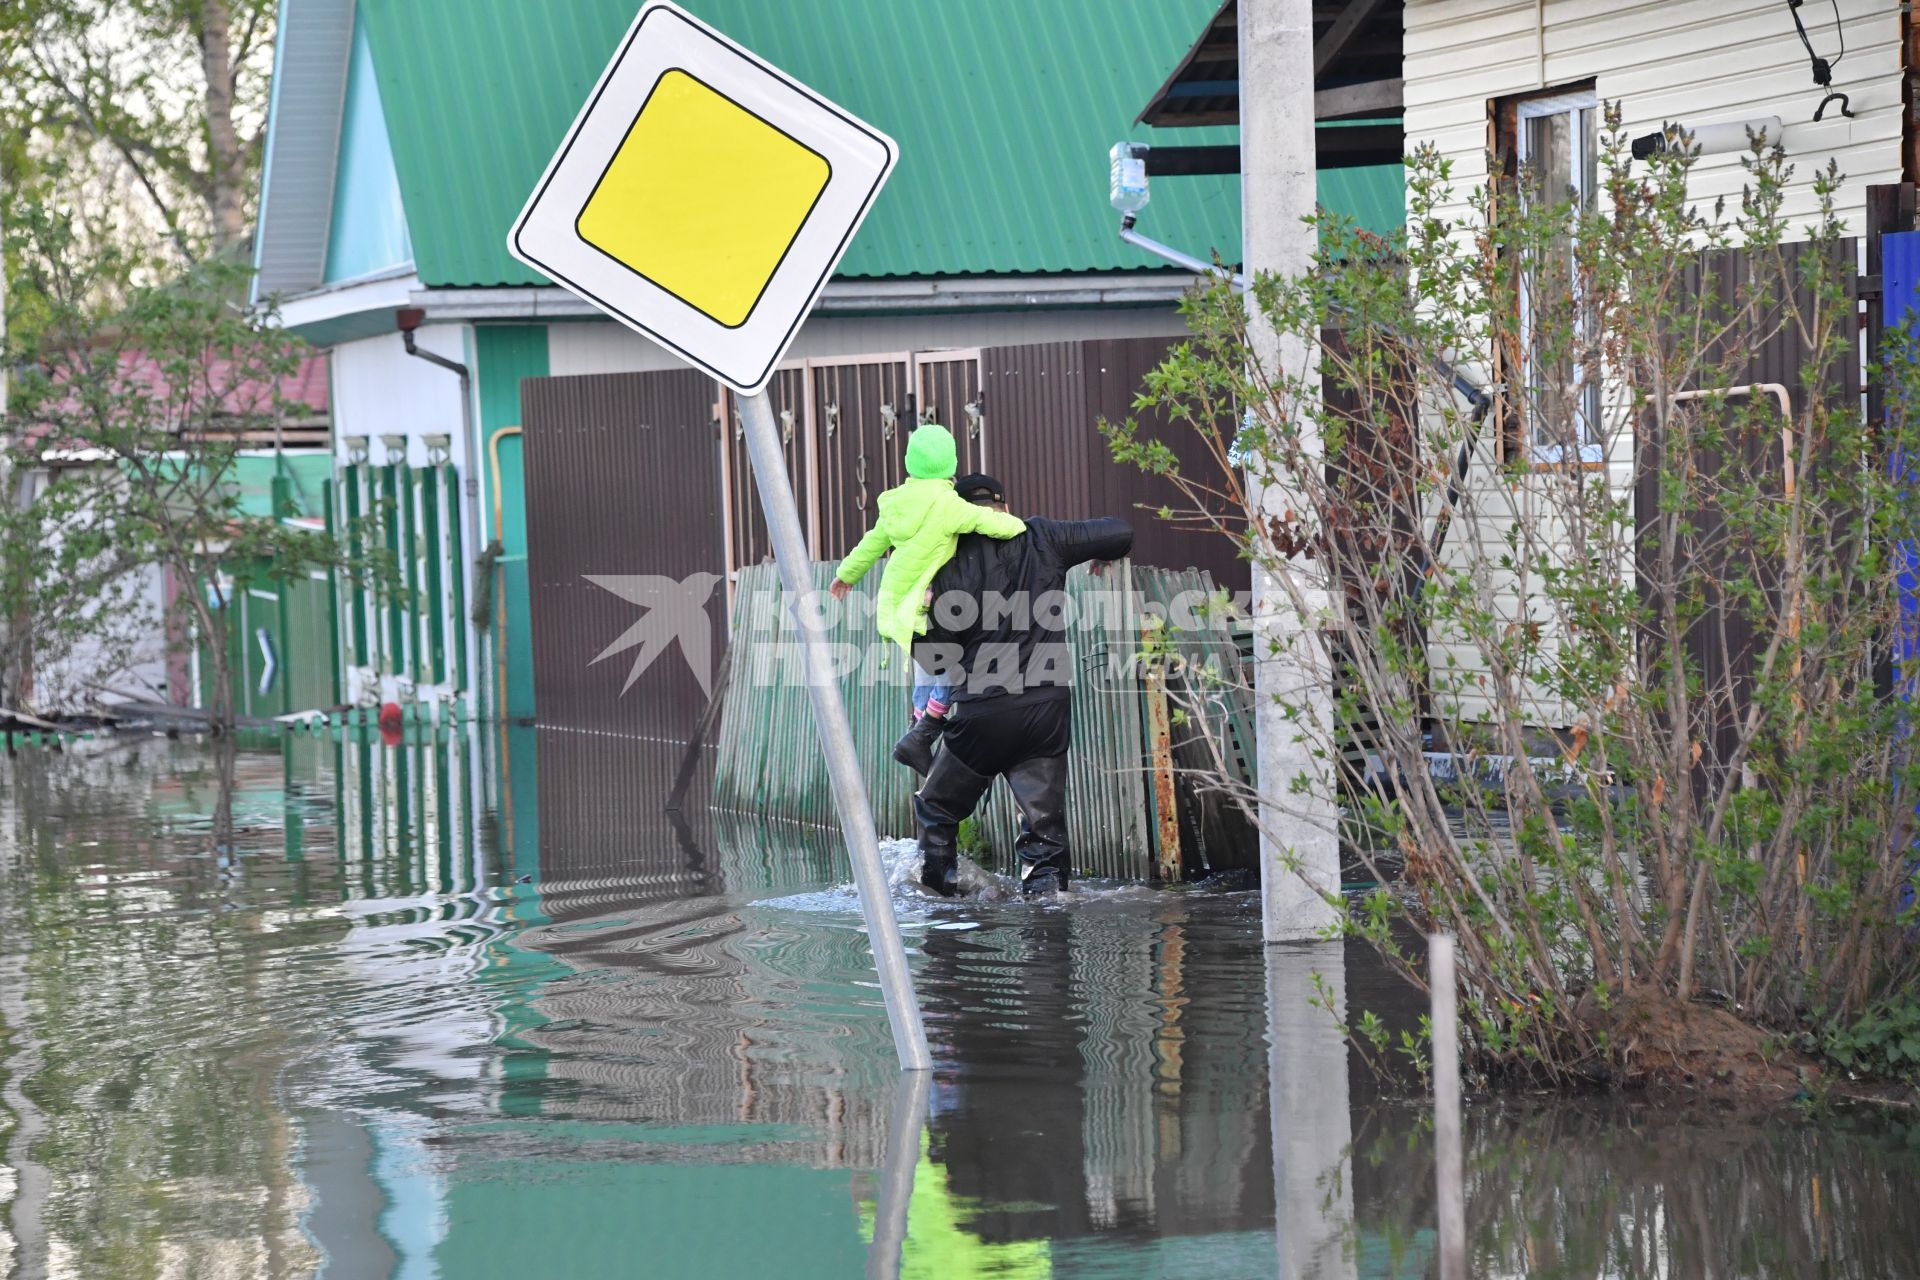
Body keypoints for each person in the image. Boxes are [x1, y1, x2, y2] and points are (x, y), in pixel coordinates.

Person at [912, 473, 1133, 898]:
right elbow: (1121, 531)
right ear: (1005, 509)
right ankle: (1049, 917)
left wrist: (920, 620)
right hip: (1047, 710)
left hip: (984, 713)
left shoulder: (948, 563)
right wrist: (1104, 552)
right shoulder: (1042, 536)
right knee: (1044, 830)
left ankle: (941, 909)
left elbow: (934, 658)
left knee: (936, 807)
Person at [827, 423, 1026, 773]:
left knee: (926, 668)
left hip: (900, 605)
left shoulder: (896, 506)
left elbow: (872, 544)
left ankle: (916, 730)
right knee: (955, 663)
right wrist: (1023, 528)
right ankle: (924, 731)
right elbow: (985, 521)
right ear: (951, 464)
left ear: (909, 463)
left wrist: (846, 574)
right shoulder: (947, 504)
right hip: (929, 604)